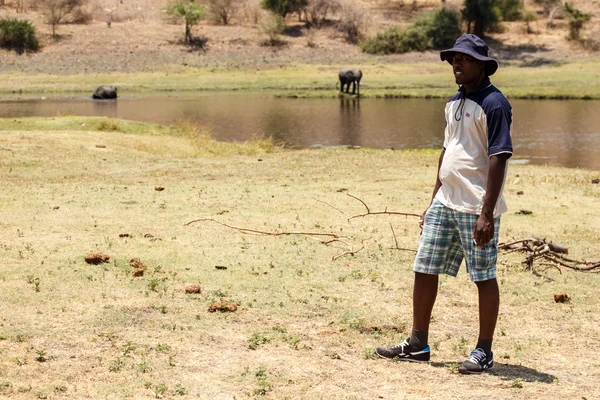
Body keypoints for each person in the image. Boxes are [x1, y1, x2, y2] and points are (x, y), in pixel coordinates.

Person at [376, 34, 513, 374]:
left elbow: (499, 156)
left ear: (481, 64)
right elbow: (447, 152)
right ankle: (418, 343)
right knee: (424, 267)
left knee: (483, 276)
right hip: (445, 202)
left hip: (475, 207)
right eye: (454, 58)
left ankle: (484, 351)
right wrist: (432, 199)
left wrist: (487, 213)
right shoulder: (453, 102)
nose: (456, 63)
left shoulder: (495, 104)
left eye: (464, 58)